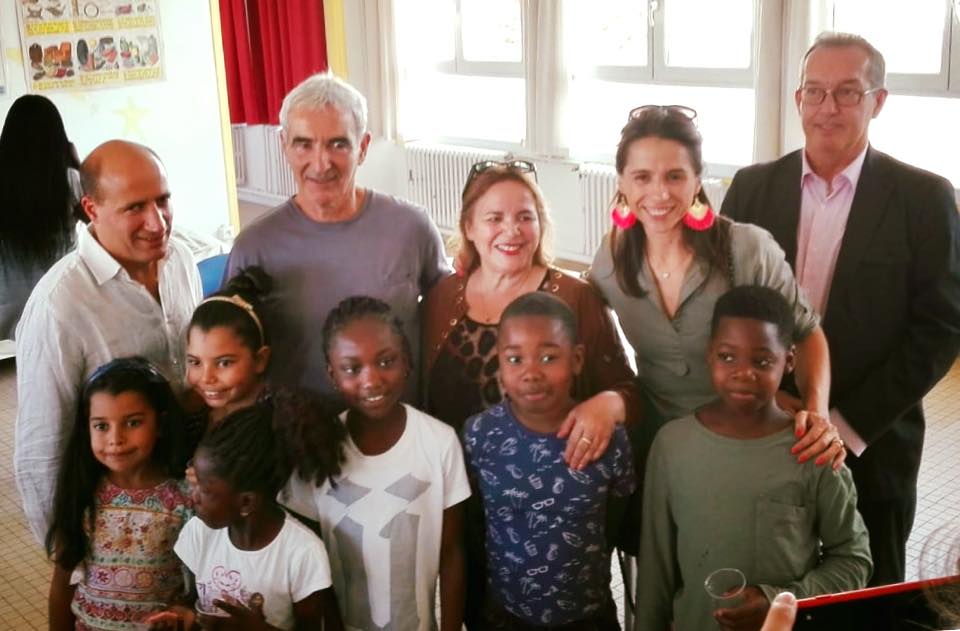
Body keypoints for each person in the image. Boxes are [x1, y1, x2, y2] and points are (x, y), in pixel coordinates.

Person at [720, 32, 960, 585]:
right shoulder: (752, 188)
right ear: (799, 98)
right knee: (766, 584)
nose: (828, 108)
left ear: (877, 101)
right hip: (762, 424)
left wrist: (842, 425)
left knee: (867, 595)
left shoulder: (925, 199)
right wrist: (768, 398)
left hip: (871, 443)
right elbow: (723, 304)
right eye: (816, 91)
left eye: (848, 93)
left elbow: (939, 329)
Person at [422, 160, 641, 628]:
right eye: (495, 218)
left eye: (525, 216)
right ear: (469, 228)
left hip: (557, 522)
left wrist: (610, 402)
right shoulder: (442, 297)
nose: (512, 230)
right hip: (468, 511)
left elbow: (629, 389)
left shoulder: (574, 297)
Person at [588, 106, 846, 498]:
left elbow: (808, 334)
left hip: (748, 436)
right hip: (661, 445)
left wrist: (816, 412)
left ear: (697, 181)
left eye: (675, 176)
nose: (659, 193)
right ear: (622, 181)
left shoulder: (747, 249)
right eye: (642, 177)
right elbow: (581, 326)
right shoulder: (610, 259)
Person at [636, 286, 872, 631]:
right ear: (708, 353)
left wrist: (781, 600)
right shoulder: (672, 446)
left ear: (789, 360)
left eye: (762, 361)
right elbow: (656, 569)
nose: (743, 373)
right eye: (728, 357)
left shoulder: (813, 451)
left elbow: (854, 560)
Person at [15, 140, 202, 544]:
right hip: (116, 524)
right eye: (135, 207)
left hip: (190, 496)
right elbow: (42, 448)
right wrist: (65, 551)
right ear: (91, 210)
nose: (157, 223)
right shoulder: (59, 305)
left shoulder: (181, 260)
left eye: (163, 200)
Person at [224, 72, 449, 399]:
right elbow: (232, 349)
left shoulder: (411, 228)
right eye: (304, 144)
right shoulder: (254, 247)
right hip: (301, 438)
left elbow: (446, 319)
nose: (321, 162)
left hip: (398, 432)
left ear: (363, 147)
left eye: (338, 143)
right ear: (284, 145)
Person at [282, 296, 471, 631]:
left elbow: (452, 552)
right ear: (332, 375)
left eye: (386, 362)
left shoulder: (439, 442)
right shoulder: (317, 451)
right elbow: (311, 563)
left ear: (407, 361)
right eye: (352, 369)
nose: (371, 381)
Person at [462, 292, 635, 630]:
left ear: (577, 360)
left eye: (548, 357)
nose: (531, 373)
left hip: (587, 615)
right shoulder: (479, 434)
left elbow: (614, 517)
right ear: (499, 362)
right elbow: (475, 522)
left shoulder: (607, 438)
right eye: (515, 360)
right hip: (506, 614)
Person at [46, 357, 193, 630]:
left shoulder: (184, 498)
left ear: (160, 424)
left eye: (133, 422)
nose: (116, 439)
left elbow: (198, 586)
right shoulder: (81, 492)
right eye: (101, 426)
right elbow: (62, 582)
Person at [170, 400, 339, 631]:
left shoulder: (302, 552)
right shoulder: (199, 531)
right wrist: (179, 616)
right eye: (194, 483)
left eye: (205, 490)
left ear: (246, 502)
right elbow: (192, 600)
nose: (193, 495)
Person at [184, 265, 346, 481]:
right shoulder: (194, 416)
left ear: (260, 359)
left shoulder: (287, 422)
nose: (206, 378)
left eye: (224, 363)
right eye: (195, 362)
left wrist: (218, 483)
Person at [0, 94, 81, 340]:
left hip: (5, 305)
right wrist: (78, 164)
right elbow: (101, 222)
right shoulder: (70, 181)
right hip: (58, 302)